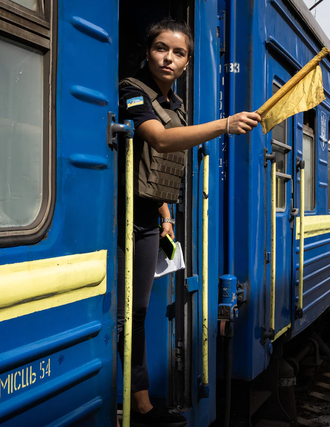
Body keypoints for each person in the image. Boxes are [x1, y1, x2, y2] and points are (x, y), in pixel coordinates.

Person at [117, 19, 260, 427]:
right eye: (161, 48)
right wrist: (224, 125)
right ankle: (139, 405)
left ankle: (141, 403)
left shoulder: (174, 104)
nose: (169, 58)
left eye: (178, 53)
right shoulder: (132, 91)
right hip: (122, 215)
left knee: (138, 312)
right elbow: (158, 140)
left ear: (187, 62)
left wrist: (164, 211)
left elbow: (154, 164)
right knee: (131, 311)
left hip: (148, 215)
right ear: (148, 52)